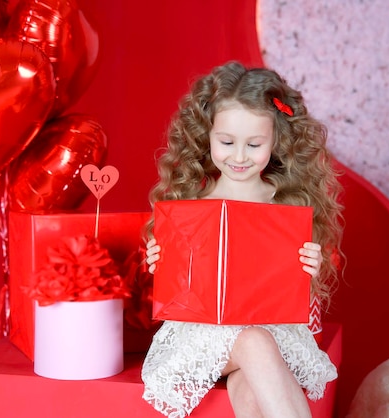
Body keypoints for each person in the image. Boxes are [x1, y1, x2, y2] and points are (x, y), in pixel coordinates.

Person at [141, 61, 344, 418]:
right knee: (252, 340)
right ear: (208, 136)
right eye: (227, 142)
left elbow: (291, 291)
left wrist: (309, 270)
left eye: (253, 144)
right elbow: (178, 287)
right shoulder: (190, 205)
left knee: (249, 387)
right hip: (201, 336)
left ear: (275, 141)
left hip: (270, 330)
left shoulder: (284, 204)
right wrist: (160, 260)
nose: (238, 156)